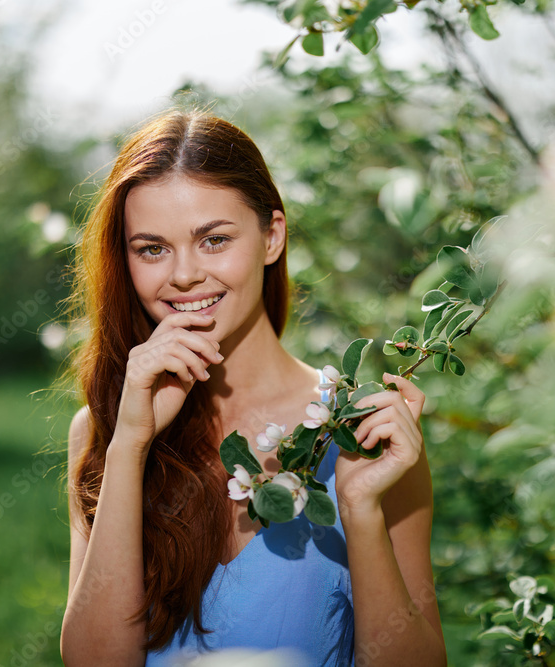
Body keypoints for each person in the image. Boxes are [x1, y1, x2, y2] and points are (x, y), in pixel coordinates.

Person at [59, 106, 447, 666]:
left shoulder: (363, 430)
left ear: (272, 236)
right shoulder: (104, 429)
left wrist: (360, 511)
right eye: (152, 248)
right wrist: (128, 448)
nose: (185, 274)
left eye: (214, 240)